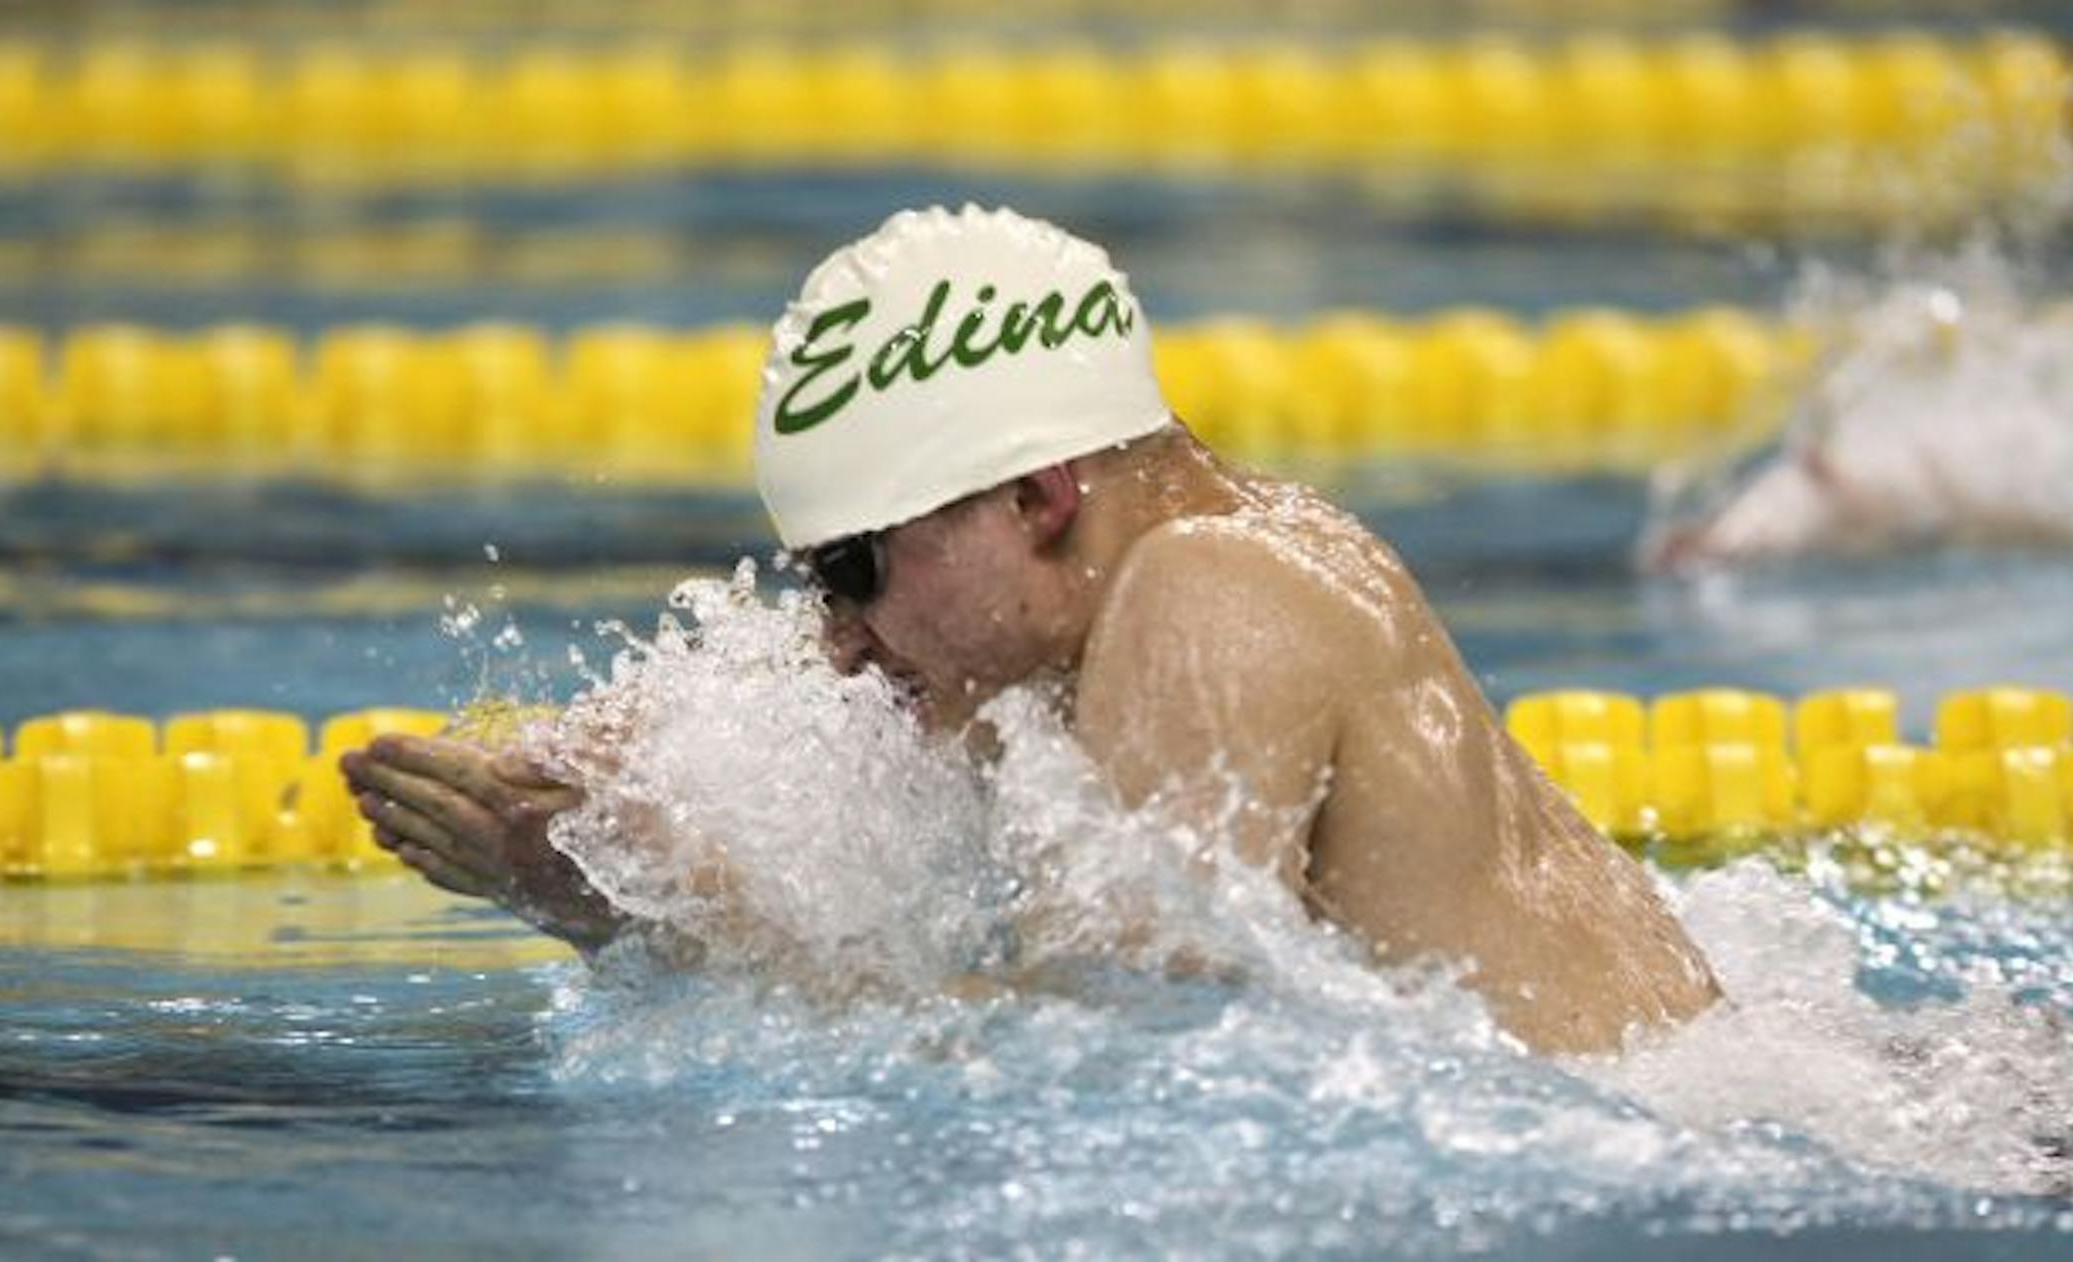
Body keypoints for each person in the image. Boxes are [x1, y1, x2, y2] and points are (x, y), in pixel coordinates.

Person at [342, 205, 1720, 1055]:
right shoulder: (1156, 576)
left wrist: (641, 913)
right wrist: (619, 801)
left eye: (858, 568)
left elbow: (1112, 1053)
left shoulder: (1208, 600)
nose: (841, 642)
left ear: (1041, 492)